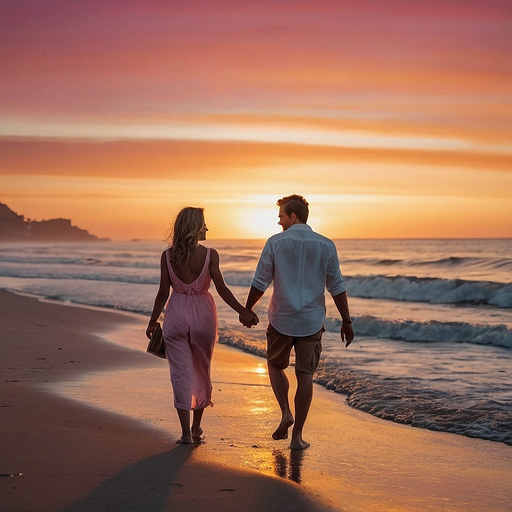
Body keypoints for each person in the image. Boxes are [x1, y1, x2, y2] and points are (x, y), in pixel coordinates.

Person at [241, 195, 354, 450]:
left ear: (293, 216)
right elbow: (336, 286)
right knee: (306, 376)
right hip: (311, 321)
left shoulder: (275, 243)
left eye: (281, 216)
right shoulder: (326, 245)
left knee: (274, 365)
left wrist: (247, 309)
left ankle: (285, 413)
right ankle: (297, 437)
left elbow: (261, 281)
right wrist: (347, 321)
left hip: (281, 318)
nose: (279, 221)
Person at [147, 207, 258, 444]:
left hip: (175, 316)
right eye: (204, 224)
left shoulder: (167, 256)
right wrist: (243, 312)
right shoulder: (210, 255)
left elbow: (162, 292)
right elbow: (221, 288)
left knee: (180, 375)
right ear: (196, 227)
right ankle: (197, 429)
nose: (207, 228)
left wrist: (152, 320)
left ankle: (185, 434)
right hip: (203, 317)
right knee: (201, 370)